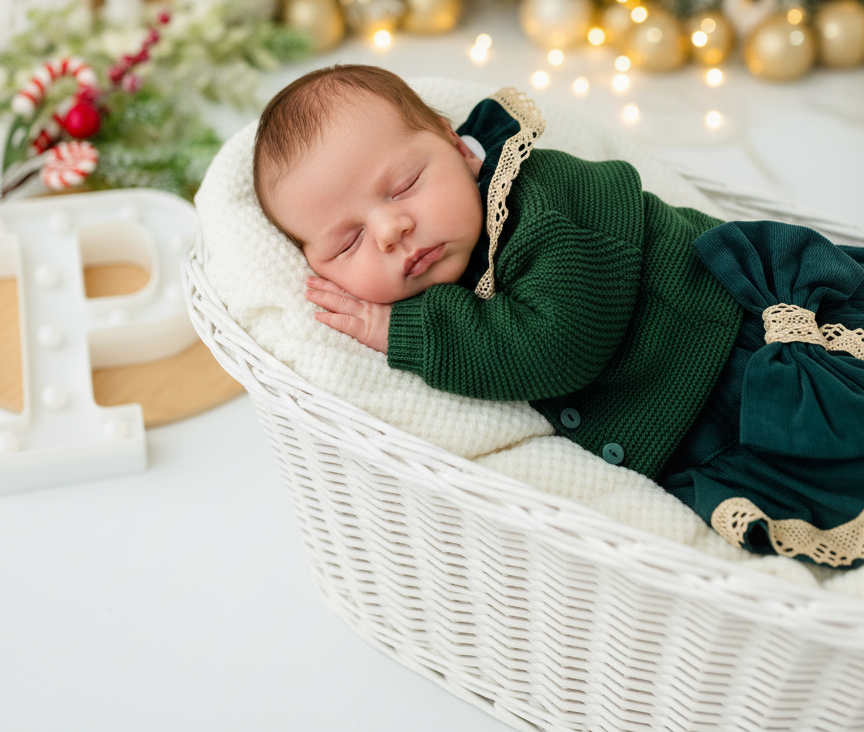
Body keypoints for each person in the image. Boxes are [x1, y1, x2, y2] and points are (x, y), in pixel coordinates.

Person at [253, 64, 864, 569]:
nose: (391, 230)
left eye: (406, 183)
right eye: (347, 244)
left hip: (744, 354)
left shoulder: (543, 200)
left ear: (458, 147)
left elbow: (555, 346)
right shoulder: (458, 259)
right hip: (696, 433)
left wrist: (396, 329)